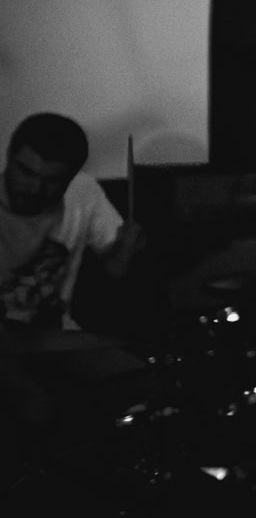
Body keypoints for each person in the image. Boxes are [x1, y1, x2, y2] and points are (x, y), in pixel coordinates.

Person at [0, 112, 147, 478]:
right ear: (9, 157)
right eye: (25, 171)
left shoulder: (84, 192)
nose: (34, 187)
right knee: (33, 409)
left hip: (52, 334)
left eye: (51, 180)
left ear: (70, 177)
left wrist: (126, 246)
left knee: (140, 380)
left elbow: (115, 268)